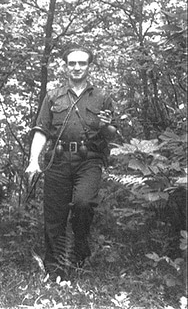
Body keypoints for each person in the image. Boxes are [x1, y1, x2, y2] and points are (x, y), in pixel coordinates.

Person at [25, 45, 117, 279]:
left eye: (82, 63)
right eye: (72, 63)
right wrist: (33, 161)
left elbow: (112, 134)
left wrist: (106, 125)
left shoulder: (102, 97)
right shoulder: (53, 96)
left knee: (83, 204)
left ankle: (79, 252)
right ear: (65, 66)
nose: (76, 67)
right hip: (58, 160)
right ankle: (54, 269)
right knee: (54, 216)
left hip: (89, 160)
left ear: (89, 66)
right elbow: (41, 130)